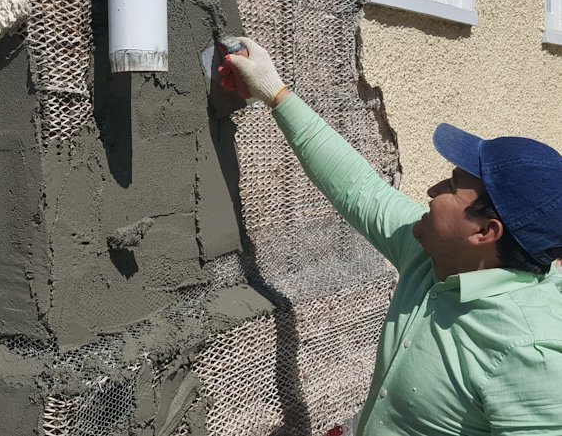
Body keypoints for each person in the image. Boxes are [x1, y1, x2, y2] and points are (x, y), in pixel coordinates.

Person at [219, 38, 562, 435]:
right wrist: (275, 92)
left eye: (452, 186)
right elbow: (360, 188)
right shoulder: (432, 254)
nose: (433, 191)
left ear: (485, 231)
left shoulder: (530, 352)